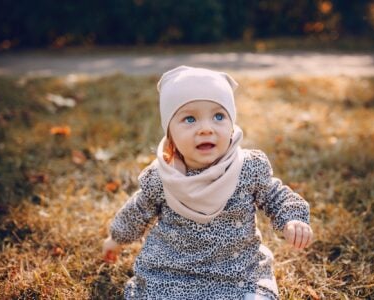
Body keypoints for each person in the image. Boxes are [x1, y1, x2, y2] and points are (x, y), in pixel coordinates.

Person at [102, 65, 313, 300]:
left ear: (231, 126)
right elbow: (137, 211)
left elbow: (275, 196)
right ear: (170, 135)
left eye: (219, 116)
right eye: (189, 119)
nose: (205, 129)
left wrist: (292, 218)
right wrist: (115, 239)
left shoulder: (247, 167)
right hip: (172, 274)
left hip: (237, 272)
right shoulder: (164, 177)